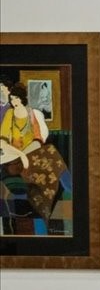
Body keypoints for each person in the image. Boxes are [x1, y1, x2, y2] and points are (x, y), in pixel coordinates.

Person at [0, 71, 66, 222]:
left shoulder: (32, 113)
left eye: (16, 98)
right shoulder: (9, 114)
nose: (14, 101)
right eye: (12, 99)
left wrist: (26, 153)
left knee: (51, 157)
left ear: (22, 98)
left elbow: (38, 139)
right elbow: (2, 140)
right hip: (12, 155)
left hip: (31, 152)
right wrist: (20, 154)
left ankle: (52, 205)